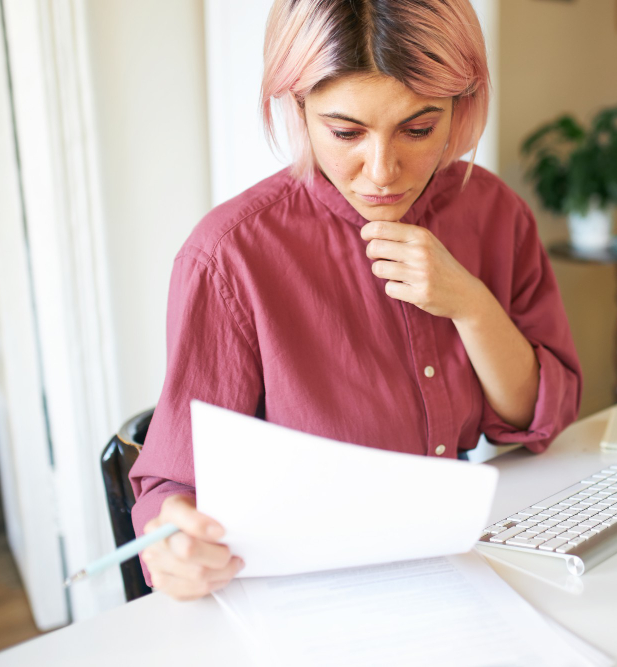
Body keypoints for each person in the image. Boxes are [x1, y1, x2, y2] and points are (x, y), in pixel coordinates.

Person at [130, 0, 582, 601]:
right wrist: (173, 543)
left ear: (461, 107)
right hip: (312, 592)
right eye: (346, 132)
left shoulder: (494, 214)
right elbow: (172, 489)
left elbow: (539, 421)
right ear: (296, 107)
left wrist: (471, 305)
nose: (383, 171)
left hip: (459, 566)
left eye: (419, 129)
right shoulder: (228, 259)